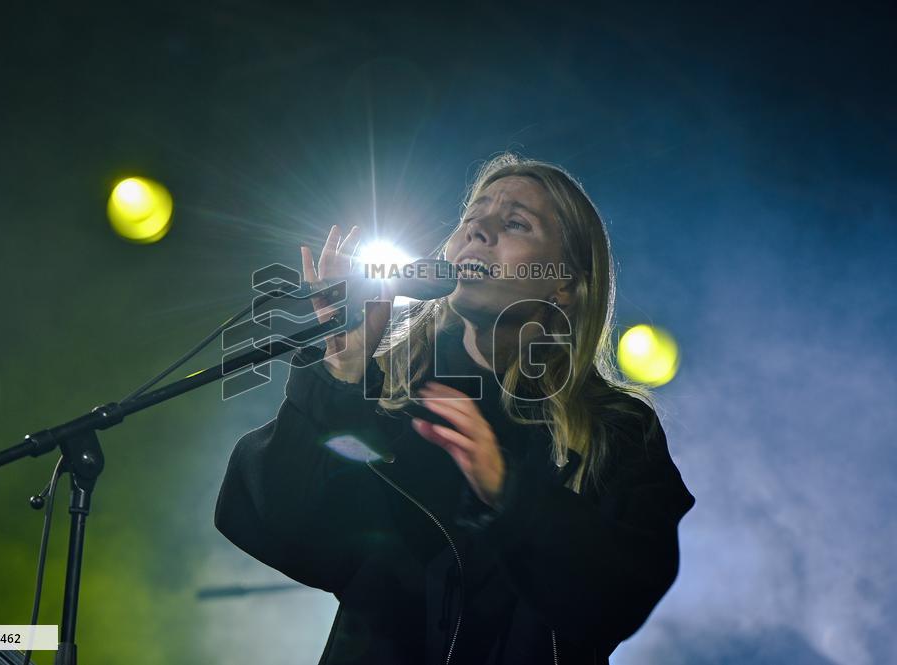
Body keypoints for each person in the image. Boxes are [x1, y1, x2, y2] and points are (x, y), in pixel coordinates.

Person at [215, 153, 696, 664]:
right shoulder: (387, 399)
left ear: (566, 284)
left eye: (514, 223)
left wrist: (508, 494)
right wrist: (338, 380)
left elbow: (621, 597)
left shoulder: (615, 429)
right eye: (470, 219)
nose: (479, 232)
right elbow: (291, 531)